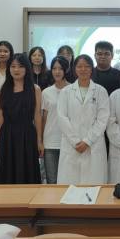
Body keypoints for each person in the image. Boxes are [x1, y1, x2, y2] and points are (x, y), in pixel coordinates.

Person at [57, 55, 109, 184]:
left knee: (93, 185)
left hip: (93, 144)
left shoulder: (101, 91)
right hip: (71, 145)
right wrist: (75, 141)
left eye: (87, 66)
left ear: (92, 69)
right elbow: (62, 118)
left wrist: (88, 140)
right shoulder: (66, 91)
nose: (83, 69)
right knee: (70, 184)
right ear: (74, 68)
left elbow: (102, 119)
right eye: (80, 66)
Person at [0, 53, 44, 184]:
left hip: (27, 134)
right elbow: (0, 117)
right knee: (7, 171)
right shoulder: (2, 89)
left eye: (21, 66)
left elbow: (37, 116)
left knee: (27, 169)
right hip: (7, 135)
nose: (16, 70)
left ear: (27, 68)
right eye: (13, 66)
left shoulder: (35, 89)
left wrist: (39, 141)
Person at [41, 56, 71, 184]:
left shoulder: (73, 90)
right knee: (52, 180)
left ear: (67, 70)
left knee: (68, 179)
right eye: (54, 68)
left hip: (69, 141)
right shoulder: (46, 92)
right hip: (51, 141)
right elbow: (45, 118)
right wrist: (41, 141)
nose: (57, 72)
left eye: (60, 69)